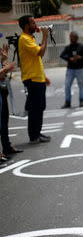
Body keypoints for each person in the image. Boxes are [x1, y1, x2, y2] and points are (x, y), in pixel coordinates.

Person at [18, 15, 51, 144]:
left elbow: (35, 60)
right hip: (32, 79)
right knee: (35, 108)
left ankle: (37, 133)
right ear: (26, 26)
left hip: (37, 78)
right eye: (33, 23)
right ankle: (34, 136)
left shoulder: (29, 38)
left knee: (40, 107)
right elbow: (40, 52)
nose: (36, 25)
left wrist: (44, 77)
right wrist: (44, 36)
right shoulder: (24, 39)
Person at [0, 44, 22, 159]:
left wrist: (4, 60)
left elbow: (2, 76)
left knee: (4, 121)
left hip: (2, 91)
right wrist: (5, 68)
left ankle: (6, 146)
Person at [60, 31, 83, 109]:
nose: (71, 38)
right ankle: (67, 102)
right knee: (67, 85)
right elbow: (62, 55)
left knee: (81, 85)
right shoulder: (68, 47)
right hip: (70, 69)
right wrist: (69, 58)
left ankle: (82, 101)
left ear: (76, 38)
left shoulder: (82, 47)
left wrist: (81, 57)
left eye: (72, 37)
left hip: (79, 69)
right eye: (70, 37)